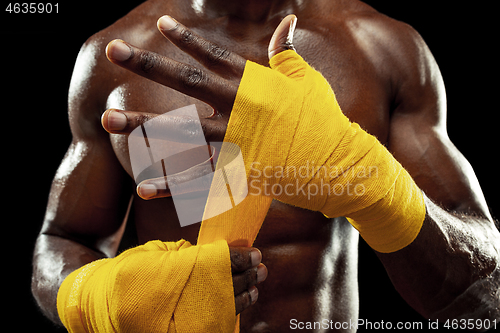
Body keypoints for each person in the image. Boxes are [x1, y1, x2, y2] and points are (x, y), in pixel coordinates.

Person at [32, 0, 500, 331]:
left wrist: (369, 180)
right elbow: (61, 241)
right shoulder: (115, 59)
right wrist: (99, 297)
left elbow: (480, 298)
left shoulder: (382, 50)